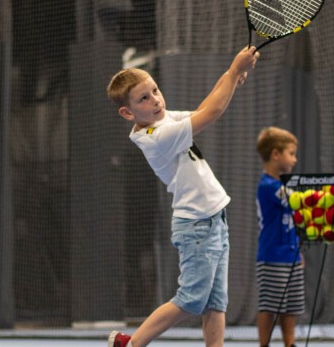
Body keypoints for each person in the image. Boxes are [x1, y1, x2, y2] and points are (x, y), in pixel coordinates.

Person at [105, 46, 259, 347]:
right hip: (198, 226)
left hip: (215, 220)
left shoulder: (162, 120)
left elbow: (203, 108)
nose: (155, 100)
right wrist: (233, 68)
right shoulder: (155, 137)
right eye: (143, 98)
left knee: (216, 304)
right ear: (128, 112)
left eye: (155, 90)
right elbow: (212, 113)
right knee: (191, 301)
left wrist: (233, 74)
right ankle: (132, 344)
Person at [255, 127, 304, 347]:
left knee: (291, 306)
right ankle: (264, 344)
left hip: (291, 255)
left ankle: (289, 343)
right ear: (276, 154)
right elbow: (296, 200)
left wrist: (298, 251)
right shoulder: (267, 186)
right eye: (291, 153)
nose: (294, 160)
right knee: (270, 306)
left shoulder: (284, 186)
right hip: (271, 256)